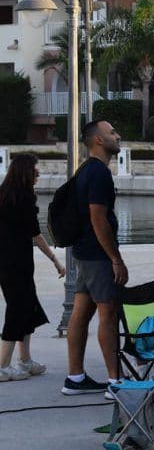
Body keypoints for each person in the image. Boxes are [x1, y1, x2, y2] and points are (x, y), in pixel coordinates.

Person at [63, 120, 127, 398]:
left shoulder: (85, 170)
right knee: (108, 314)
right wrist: (115, 258)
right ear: (98, 140)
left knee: (81, 313)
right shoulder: (99, 173)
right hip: (98, 254)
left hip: (83, 251)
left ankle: (74, 377)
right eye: (111, 132)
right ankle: (116, 382)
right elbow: (98, 218)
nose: (117, 135)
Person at [0, 154, 65, 382]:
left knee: (27, 306)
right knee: (18, 309)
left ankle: (25, 360)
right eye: (35, 173)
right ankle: (3, 365)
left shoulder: (4, 195)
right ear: (25, 174)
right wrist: (55, 260)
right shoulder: (23, 199)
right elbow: (36, 235)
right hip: (16, 261)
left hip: (10, 261)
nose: (38, 176)